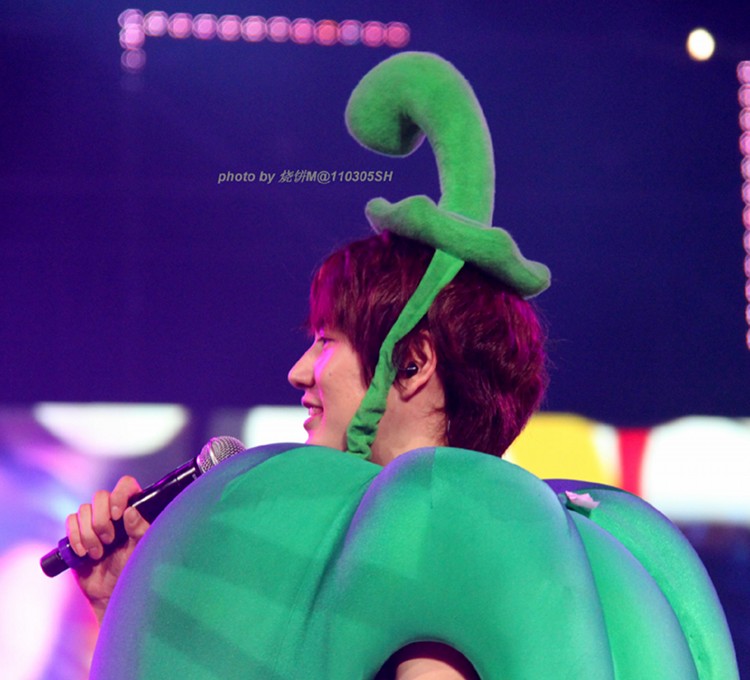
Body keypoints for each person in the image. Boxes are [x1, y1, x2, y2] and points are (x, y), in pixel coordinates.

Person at [67, 229, 548, 678]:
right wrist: (125, 605)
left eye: (325, 340)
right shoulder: (406, 547)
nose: (298, 372)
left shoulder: (439, 553)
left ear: (411, 362)